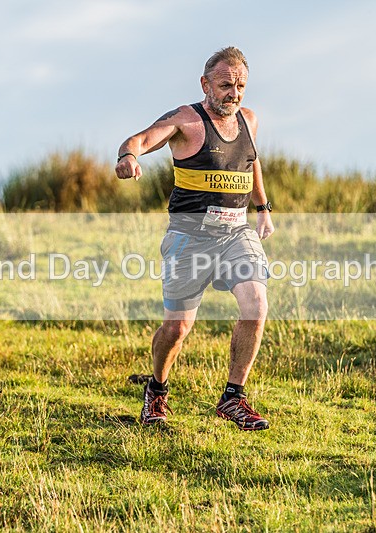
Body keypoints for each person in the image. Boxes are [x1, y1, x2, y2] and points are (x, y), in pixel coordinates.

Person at [115, 46, 275, 431]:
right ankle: (156, 389)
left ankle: (233, 398)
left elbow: (250, 163)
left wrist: (263, 207)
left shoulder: (249, 120)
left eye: (239, 87)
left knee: (256, 303)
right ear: (205, 84)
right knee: (178, 328)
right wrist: (128, 157)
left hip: (236, 232)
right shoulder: (188, 121)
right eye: (224, 85)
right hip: (190, 236)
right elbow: (140, 139)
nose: (232, 94)